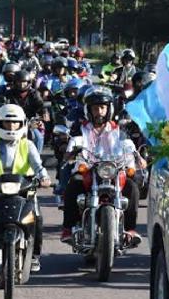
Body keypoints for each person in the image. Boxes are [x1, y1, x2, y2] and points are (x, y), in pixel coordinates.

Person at [0, 104, 52, 272]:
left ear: (22, 124)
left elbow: (38, 165)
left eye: (15, 123)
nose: (11, 126)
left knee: (37, 218)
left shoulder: (27, 145)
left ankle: (35, 256)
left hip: (24, 191)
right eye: (7, 123)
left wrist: (44, 177)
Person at [60, 87, 145, 247]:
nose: (99, 111)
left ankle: (130, 230)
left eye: (102, 107)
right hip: (90, 169)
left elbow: (128, 145)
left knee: (133, 187)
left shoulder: (118, 129)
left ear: (109, 109)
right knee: (74, 183)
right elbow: (71, 145)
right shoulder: (81, 128)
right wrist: (71, 151)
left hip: (112, 168)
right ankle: (68, 229)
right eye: (95, 108)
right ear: (88, 110)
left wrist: (136, 156)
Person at [0, 70, 46, 153]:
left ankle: (37, 159)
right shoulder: (8, 94)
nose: (21, 84)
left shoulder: (34, 94)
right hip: (11, 121)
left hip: (29, 121)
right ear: (14, 82)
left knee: (38, 138)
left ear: (29, 82)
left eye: (24, 82)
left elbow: (41, 105)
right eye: (19, 82)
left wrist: (44, 112)